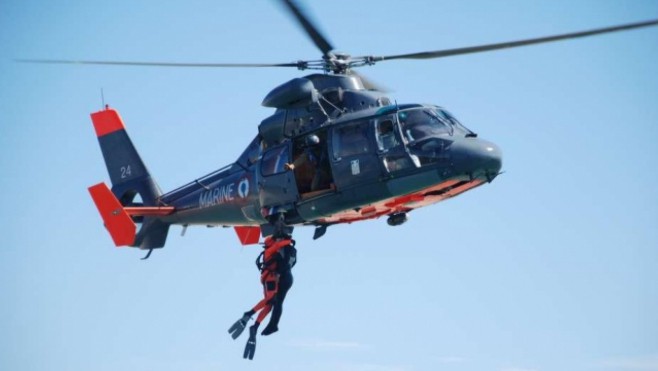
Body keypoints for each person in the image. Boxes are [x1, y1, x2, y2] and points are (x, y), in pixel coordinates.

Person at [228, 235, 297, 360]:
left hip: (269, 279)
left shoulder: (269, 251)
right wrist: (289, 241)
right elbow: (277, 245)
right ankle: (249, 313)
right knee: (270, 299)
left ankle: (255, 326)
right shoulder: (270, 250)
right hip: (270, 278)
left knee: (269, 306)